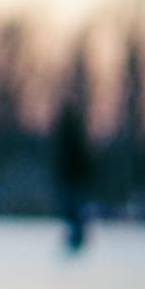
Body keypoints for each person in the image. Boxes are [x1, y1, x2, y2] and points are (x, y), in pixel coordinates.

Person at [51, 102, 92, 252]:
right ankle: (76, 235)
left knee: (72, 210)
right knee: (74, 211)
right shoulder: (73, 140)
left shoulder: (66, 141)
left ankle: (75, 235)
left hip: (71, 182)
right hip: (73, 182)